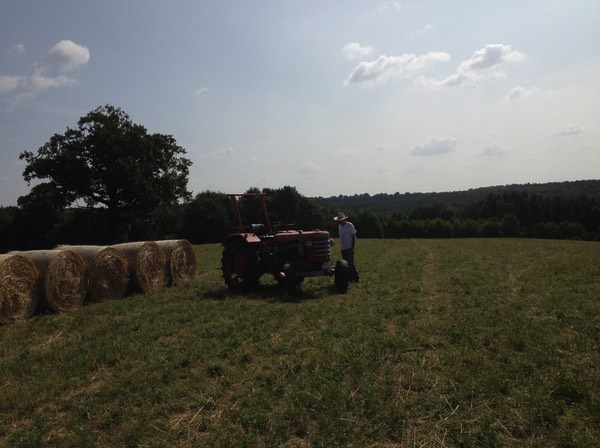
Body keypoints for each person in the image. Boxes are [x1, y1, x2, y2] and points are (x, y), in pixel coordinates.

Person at [334, 212, 359, 283]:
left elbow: (353, 237)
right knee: (345, 266)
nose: (339, 222)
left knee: (351, 264)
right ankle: (349, 279)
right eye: (338, 221)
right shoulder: (339, 226)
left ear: (344, 219)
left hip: (349, 248)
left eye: (340, 220)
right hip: (343, 249)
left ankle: (356, 279)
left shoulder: (349, 225)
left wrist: (353, 248)